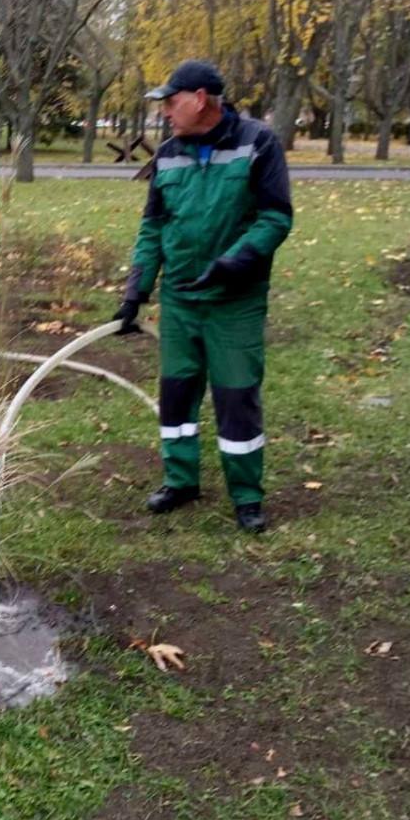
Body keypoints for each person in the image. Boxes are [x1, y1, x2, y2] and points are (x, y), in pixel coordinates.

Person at [114, 60, 292, 532]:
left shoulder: (258, 144)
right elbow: (152, 228)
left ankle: (247, 497)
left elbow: (276, 218)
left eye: (171, 102)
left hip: (234, 301)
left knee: (236, 397)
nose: (165, 113)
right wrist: (136, 291)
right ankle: (181, 481)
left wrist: (233, 264)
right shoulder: (169, 154)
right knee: (176, 395)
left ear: (199, 98)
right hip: (180, 301)